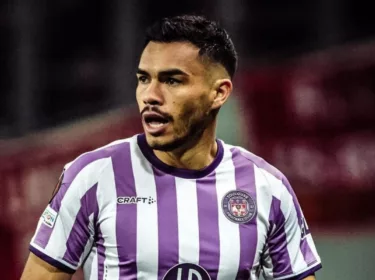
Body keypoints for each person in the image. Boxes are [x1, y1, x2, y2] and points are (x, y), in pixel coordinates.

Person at [21, 15, 322, 280]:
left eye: (172, 81)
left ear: (219, 92)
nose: (150, 95)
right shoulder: (93, 177)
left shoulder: (268, 188)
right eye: (144, 79)